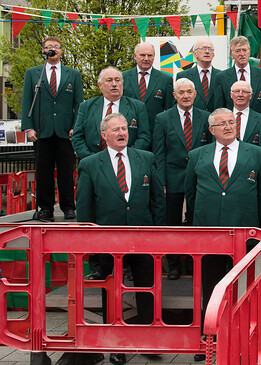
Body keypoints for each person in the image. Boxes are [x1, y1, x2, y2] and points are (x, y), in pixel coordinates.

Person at [184, 108, 261, 361]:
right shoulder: (196, 155)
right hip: (209, 234)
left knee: (243, 289)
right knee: (210, 288)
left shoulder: (257, 154)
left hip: (243, 235)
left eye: (231, 122)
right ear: (211, 130)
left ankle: (243, 338)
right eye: (221, 124)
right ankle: (208, 341)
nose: (227, 126)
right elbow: (191, 194)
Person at [75, 113, 163, 365]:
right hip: (107, 240)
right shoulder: (90, 164)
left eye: (124, 128)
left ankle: (147, 340)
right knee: (112, 293)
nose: (122, 133)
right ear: (104, 135)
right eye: (115, 129)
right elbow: (84, 209)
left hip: (144, 237)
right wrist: (91, 244)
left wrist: (158, 233)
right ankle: (116, 345)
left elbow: (157, 199)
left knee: (147, 289)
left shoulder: (146, 158)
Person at [153, 78, 213, 280]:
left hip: (199, 179)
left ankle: (191, 263)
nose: (186, 96)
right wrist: (161, 181)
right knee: (172, 223)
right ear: (174, 95)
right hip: (172, 180)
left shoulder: (206, 117)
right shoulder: (162, 118)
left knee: (194, 223)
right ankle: (173, 264)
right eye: (181, 92)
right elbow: (159, 153)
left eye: (189, 92)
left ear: (195, 94)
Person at [21, 36, 84, 221]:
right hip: (42, 130)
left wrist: (76, 127)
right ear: (43, 50)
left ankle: (68, 207)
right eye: (49, 47)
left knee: (66, 170)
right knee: (43, 172)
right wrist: (28, 128)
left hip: (65, 131)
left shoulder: (73, 74)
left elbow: (78, 104)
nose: (52, 49)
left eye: (56, 47)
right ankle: (45, 208)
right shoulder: (33, 74)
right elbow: (26, 102)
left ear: (61, 50)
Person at [73, 67, 150, 159]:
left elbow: (144, 137)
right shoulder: (86, 107)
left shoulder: (137, 107)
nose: (114, 84)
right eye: (109, 80)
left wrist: (127, 156)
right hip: (93, 163)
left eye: (117, 80)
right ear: (100, 85)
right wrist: (91, 159)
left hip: (127, 161)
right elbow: (77, 137)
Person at [122, 42, 175, 136]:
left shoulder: (165, 80)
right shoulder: (123, 78)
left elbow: (169, 111)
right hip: (128, 134)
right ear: (135, 56)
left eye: (150, 55)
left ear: (154, 56)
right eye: (142, 55)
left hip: (155, 134)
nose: (146, 59)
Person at [213, 36, 261, 113]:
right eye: (237, 51)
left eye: (244, 50)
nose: (242, 54)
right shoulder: (221, 77)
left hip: (258, 123)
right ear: (231, 55)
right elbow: (219, 108)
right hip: (232, 123)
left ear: (249, 52)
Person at [176, 38, 219, 112]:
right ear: (194, 54)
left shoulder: (221, 76)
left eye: (210, 49)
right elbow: (177, 103)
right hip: (193, 120)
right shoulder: (183, 76)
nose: (207, 52)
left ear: (213, 54)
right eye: (203, 48)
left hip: (217, 120)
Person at [229, 80, 261, 147]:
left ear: (250, 96)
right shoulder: (222, 118)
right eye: (237, 91)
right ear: (231, 95)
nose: (240, 95)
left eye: (244, 92)